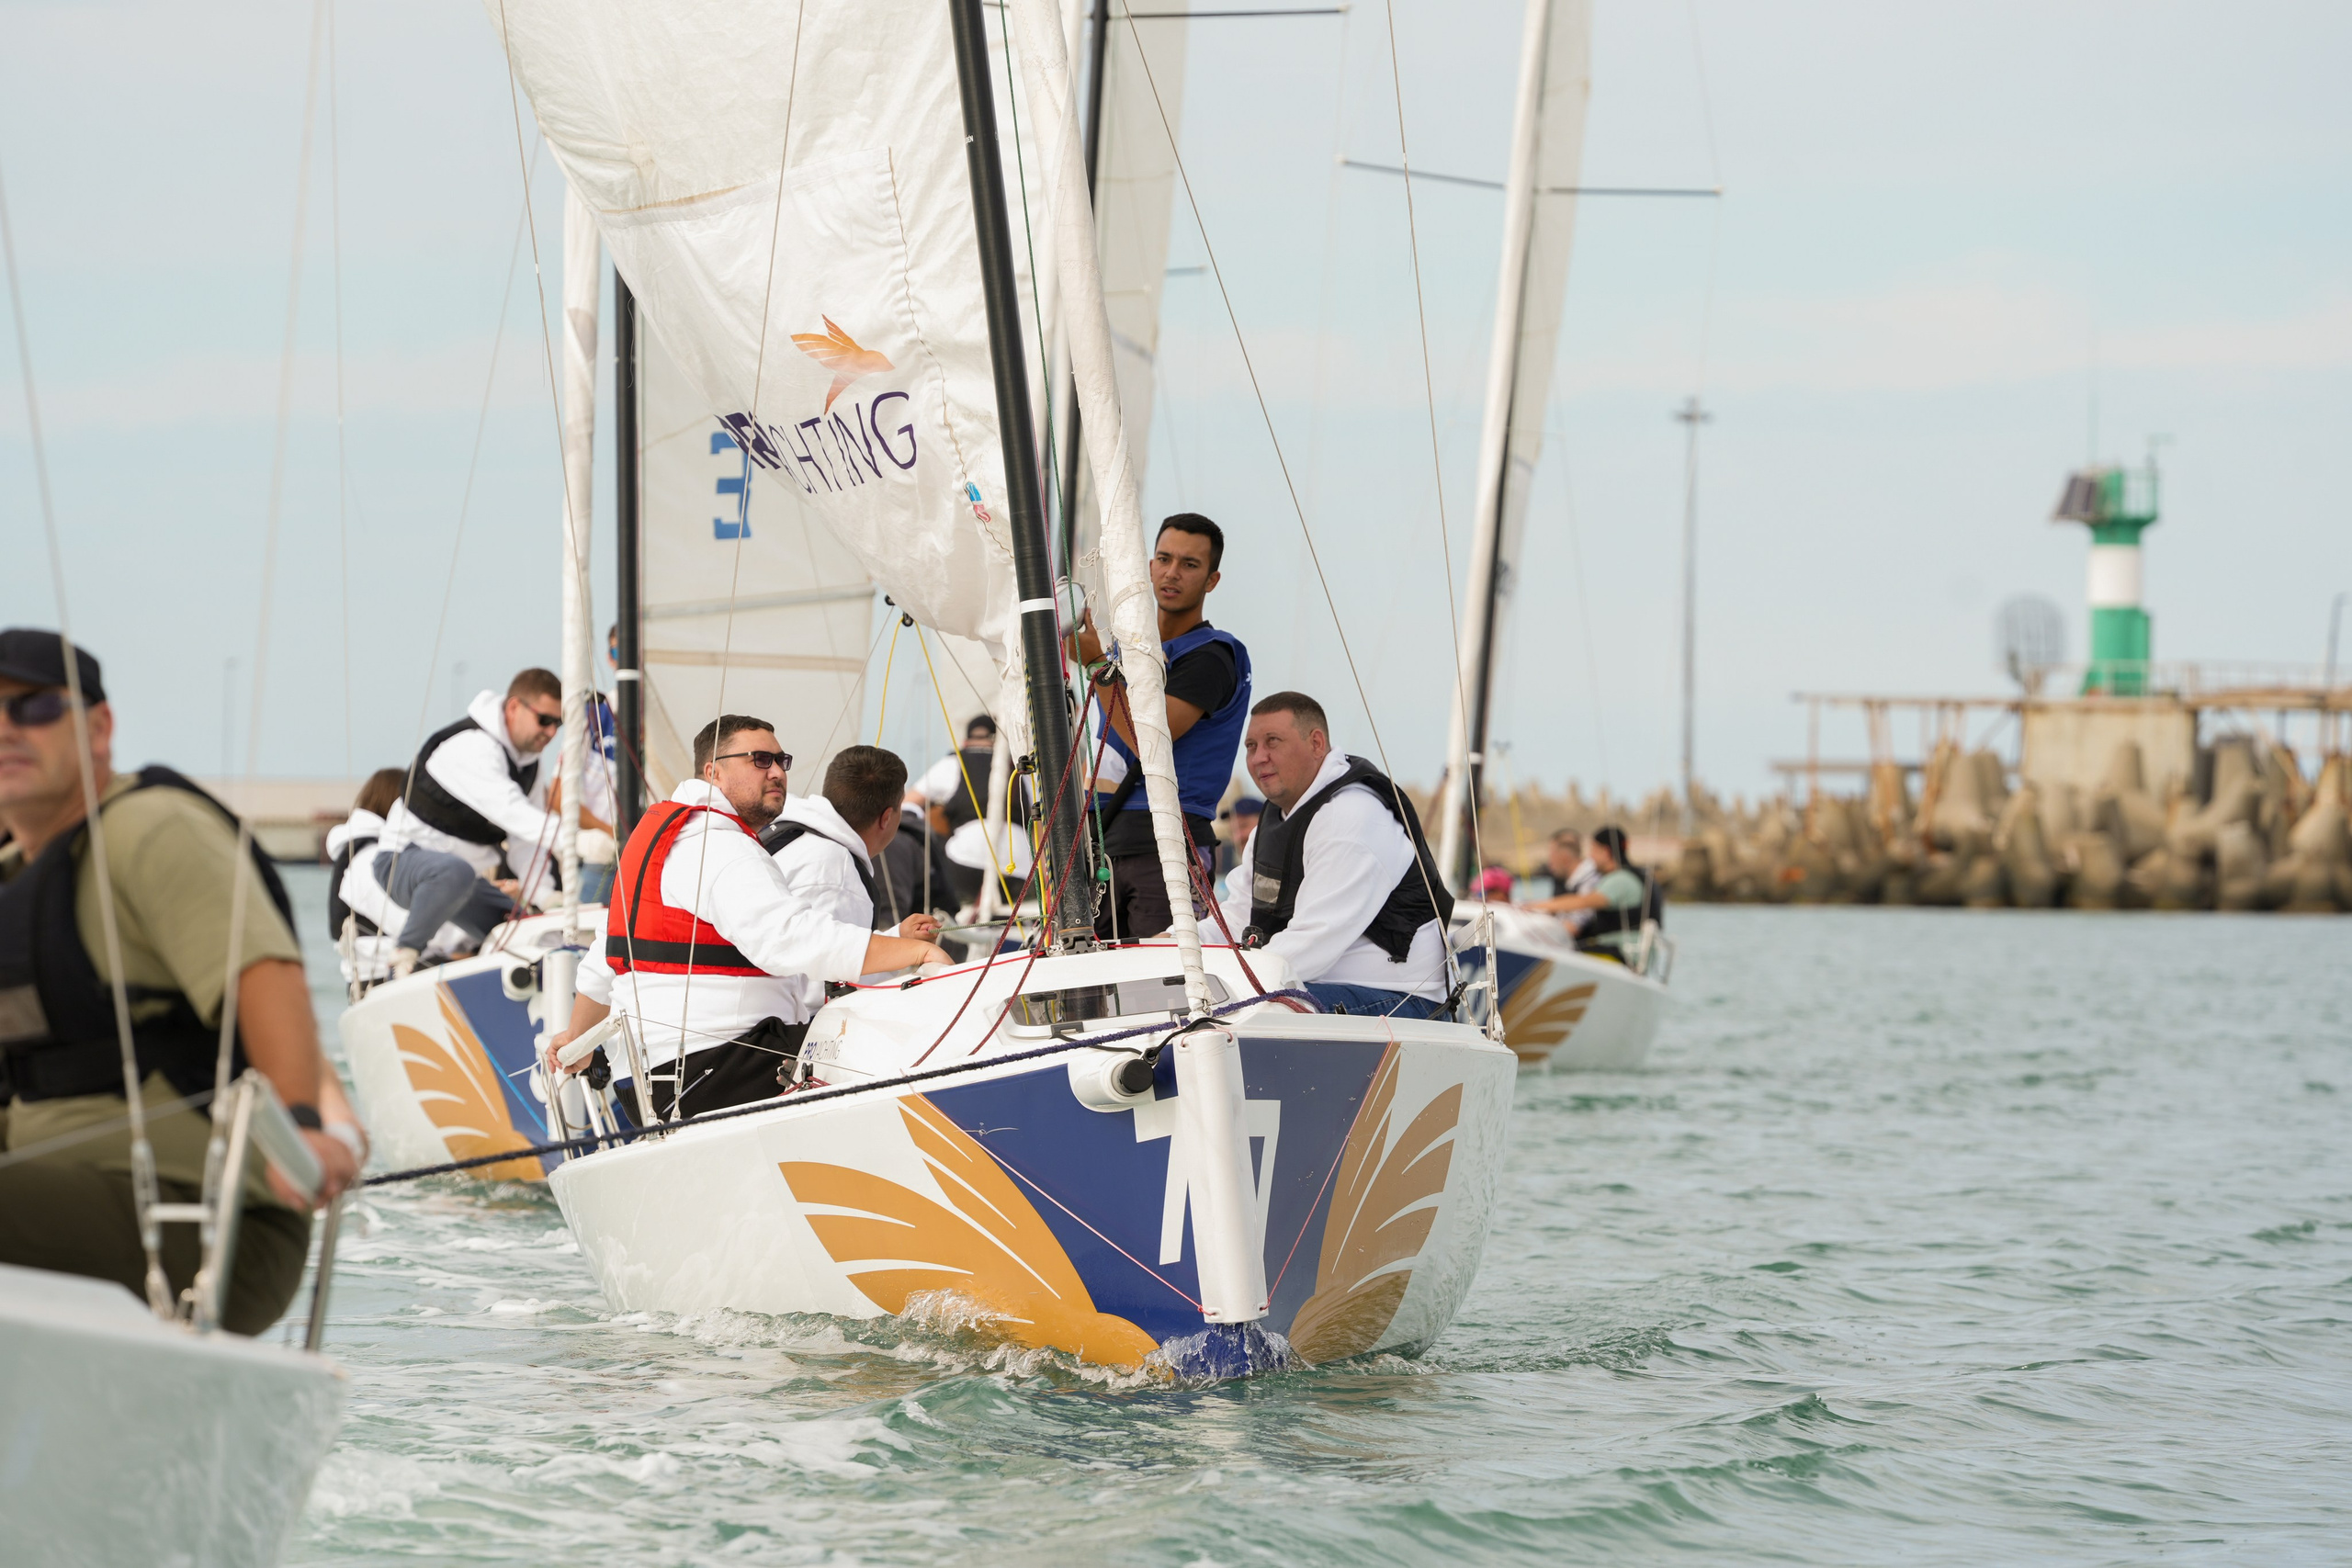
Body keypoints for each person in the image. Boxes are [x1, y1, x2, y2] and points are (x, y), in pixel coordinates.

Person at [0, 629, 364, 1334]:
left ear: (100, 726)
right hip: (52, 1204)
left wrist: (310, 1125)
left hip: (205, 1228)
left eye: (35, 706)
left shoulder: (150, 830)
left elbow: (265, 977)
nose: (8, 728)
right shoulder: (18, 878)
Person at [548, 715, 949, 1117]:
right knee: (900, 1039)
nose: (777, 772)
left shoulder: (660, 841)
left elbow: (605, 958)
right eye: (759, 760)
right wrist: (915, 954)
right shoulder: (719, 846)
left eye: (781, 760)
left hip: (658, 1084)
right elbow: (787, 938)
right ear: (713, 771)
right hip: (723, 1068)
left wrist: (575, 1038)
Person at [1216, 691, 1453, 1018]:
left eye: (1273, 741)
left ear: (1316, 743)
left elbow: (1313, 943)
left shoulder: (1352, 818)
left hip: (1403, 1001)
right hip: (1311, 984)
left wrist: (1219, 984)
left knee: (1252, 1010)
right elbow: (1237, 916)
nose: (1258, 758)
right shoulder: (1273, 823)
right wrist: (1168, 946)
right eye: (1251, 746)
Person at [1071, 514, 1252, 941]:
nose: (1172, 572)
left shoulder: (1211, 656)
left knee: (1164, 984)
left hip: (1168, 842)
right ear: (1149, 567)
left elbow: (1149, 740)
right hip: (1102, 843)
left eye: (1190, 565)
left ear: (1212, 580)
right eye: (1164, 559)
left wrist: (1098, 665)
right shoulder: (1125, 654)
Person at [761, 746, 944, 1026]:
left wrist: (898, 939)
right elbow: (823, 987)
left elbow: (827, 948)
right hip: (786, 1034)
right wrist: (907, 957)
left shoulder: (794, 836)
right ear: (887, 818)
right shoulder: (834, 869)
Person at [324, 767, 467, 987]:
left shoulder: (369, 856)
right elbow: (412, 924)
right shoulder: (368, 861)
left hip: (400, 977)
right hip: (386, 982)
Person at [914, 715, 1026, 908]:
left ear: (966, 742)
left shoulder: (954, 762)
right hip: (1021, 865)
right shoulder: (1021, 770)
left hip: (965, 859)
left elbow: (908, 805)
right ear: (1000, 742)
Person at [1540, 824, 1664, 964]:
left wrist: (1534, 906)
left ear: (1605, 852)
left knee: (1557, 954)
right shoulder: (1636, 876)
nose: (1590, 857)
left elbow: (1582, 902)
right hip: (1630, 955)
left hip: (1621, 956)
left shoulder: (1620, 880)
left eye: (1593, 850)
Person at [1518, 828, 1600, 934]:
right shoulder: (1566, 881)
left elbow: (1575, 925)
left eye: (1552, 855)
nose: (1549, 862)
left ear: (1565, 858)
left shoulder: (1590, 881)